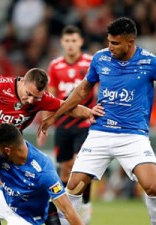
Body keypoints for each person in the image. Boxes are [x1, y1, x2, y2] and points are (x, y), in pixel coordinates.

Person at [38, 17, 156, 225]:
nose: (109, 47)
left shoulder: (151, 62)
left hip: (133, 136)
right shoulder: (100, 58)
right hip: (100, 133)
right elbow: (82, 90)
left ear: (130, 42)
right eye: (108, 41)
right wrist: (54, 116)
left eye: (115, 43)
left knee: (152, 186)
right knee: (74, 186)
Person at [0, 68, 103, 225]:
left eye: (36, 97)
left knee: (12, 191)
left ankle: (43, 212)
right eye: (29, 94)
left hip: (10, 152)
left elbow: (68, 107)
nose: (31, 100)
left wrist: (90, 113)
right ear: (23, 80)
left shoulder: (41, 100)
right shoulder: (0, 85)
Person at [0, 123, 85, 225]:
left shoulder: (44, 169)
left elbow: (68, 210)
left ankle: (48, 210)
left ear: (7, 150)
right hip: (4, 197)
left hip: (27, 212)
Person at [45, 25, 96, 224]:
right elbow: (51, 96)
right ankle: (69, 208)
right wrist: (47, 122)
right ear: (62, 43)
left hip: (85, 123)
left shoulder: (91, 62)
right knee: (65, 168)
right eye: (67, 41)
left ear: (81, 42)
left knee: (80, 164)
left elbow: (101, 86)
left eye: (74, 40)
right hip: (63, 124)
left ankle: (86, 204)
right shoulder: (55, 66)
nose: (71, 44)